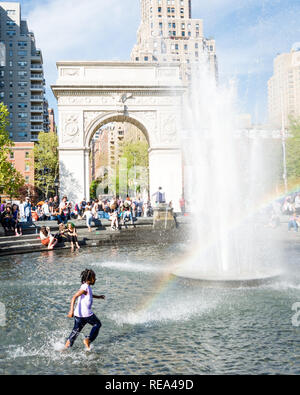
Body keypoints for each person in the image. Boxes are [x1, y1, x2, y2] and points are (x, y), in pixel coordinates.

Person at [65, 269, 105, 351]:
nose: (95, 279)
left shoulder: (86, 286)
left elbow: (89, 295)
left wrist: (99, 297)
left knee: (75, 332)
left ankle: (65, 348)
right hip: (86, 314)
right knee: (97, 324)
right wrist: (71, 311)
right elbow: (74, 297)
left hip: (79, 315)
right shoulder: (85, 287)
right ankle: (88, 339)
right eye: (94, 277)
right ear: (89, 279)